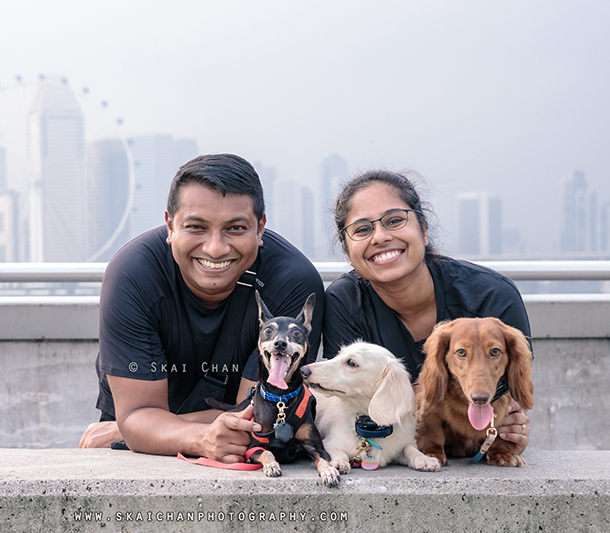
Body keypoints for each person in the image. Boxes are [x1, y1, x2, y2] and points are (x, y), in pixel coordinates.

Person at [79, 153, 325, 463]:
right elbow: (139, 412)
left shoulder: (292, 283)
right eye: (196, 227)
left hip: (247, 454)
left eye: (235, 229)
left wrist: (130, 428)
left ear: (260, 228)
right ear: (170, 225)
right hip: (138, 452)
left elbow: (261, 418)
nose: (215, 248)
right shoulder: (133, 275)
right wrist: (173, 433)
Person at [323, 169, 531, 454]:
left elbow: (509, 403)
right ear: (347, 250)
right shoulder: (343, 303)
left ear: (423, 229)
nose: (380, 237)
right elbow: (352, 402)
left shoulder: (492, 296)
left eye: (395, 220)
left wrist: (508, 429)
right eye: (362, 229)